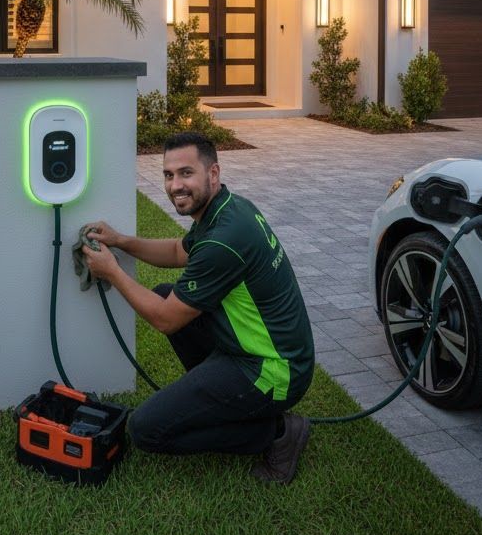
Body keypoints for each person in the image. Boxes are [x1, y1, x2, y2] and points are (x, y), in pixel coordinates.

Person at [82, 131, 315, 483]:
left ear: (213, 174)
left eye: (186, 173)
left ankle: (278, 432)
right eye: (168, 175)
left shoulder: (224, 240)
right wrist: (121, 241)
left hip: (273, 371)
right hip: (258, 350)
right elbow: (179, 251)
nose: (176, 185)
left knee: (146, 429)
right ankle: (224, 401)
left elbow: (165, 320)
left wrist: (112, 271)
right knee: (164, 291)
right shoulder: (230, 209)